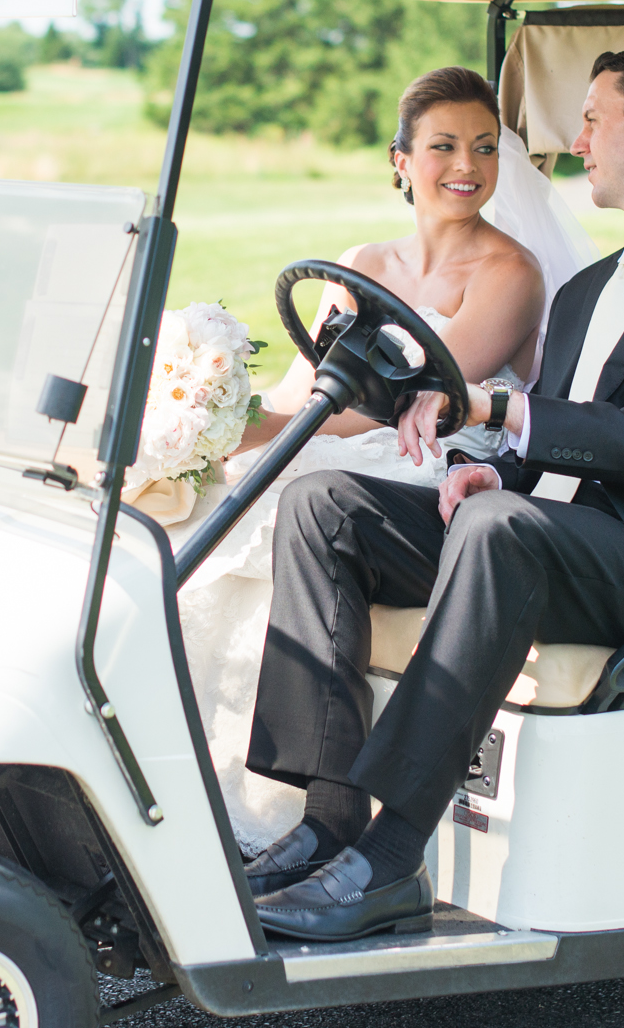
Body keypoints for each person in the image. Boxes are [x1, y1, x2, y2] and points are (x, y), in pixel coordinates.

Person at [243, 45, 624, 942]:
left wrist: (500, 417)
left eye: (594, 118)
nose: (579, 139)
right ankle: (329, 819)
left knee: (498, 530)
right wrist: (495, 466)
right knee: (326, 503)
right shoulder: (595, 286)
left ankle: (390, 856)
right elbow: (554, 431)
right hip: (554, 536)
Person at [175, 66, 594, 854]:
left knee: (287, 499)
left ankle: (301, 812)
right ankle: (190, 786)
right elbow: (306, 389)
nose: (465, 166)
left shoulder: (510, 274)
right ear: (401, 160)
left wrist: (281, 431)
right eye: (442, 146)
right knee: (204, 501)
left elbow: (405, 398)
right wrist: (218, 416)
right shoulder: (362, 261)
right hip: (338, 437)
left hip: (429, 459)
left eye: (482, 147)